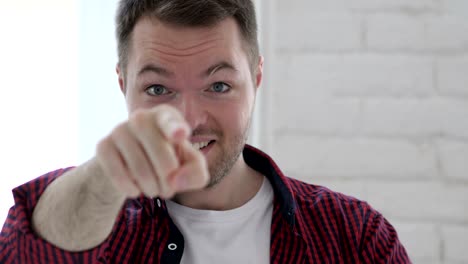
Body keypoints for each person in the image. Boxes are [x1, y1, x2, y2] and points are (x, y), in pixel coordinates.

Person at [0, 0, 410, 263]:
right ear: (124, 85)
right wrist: (108, 175)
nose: (190, 120)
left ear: (257, 78)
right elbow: (29, 247)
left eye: (218, 86)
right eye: (158, 89)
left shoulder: (353, 238)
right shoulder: (104, 227)